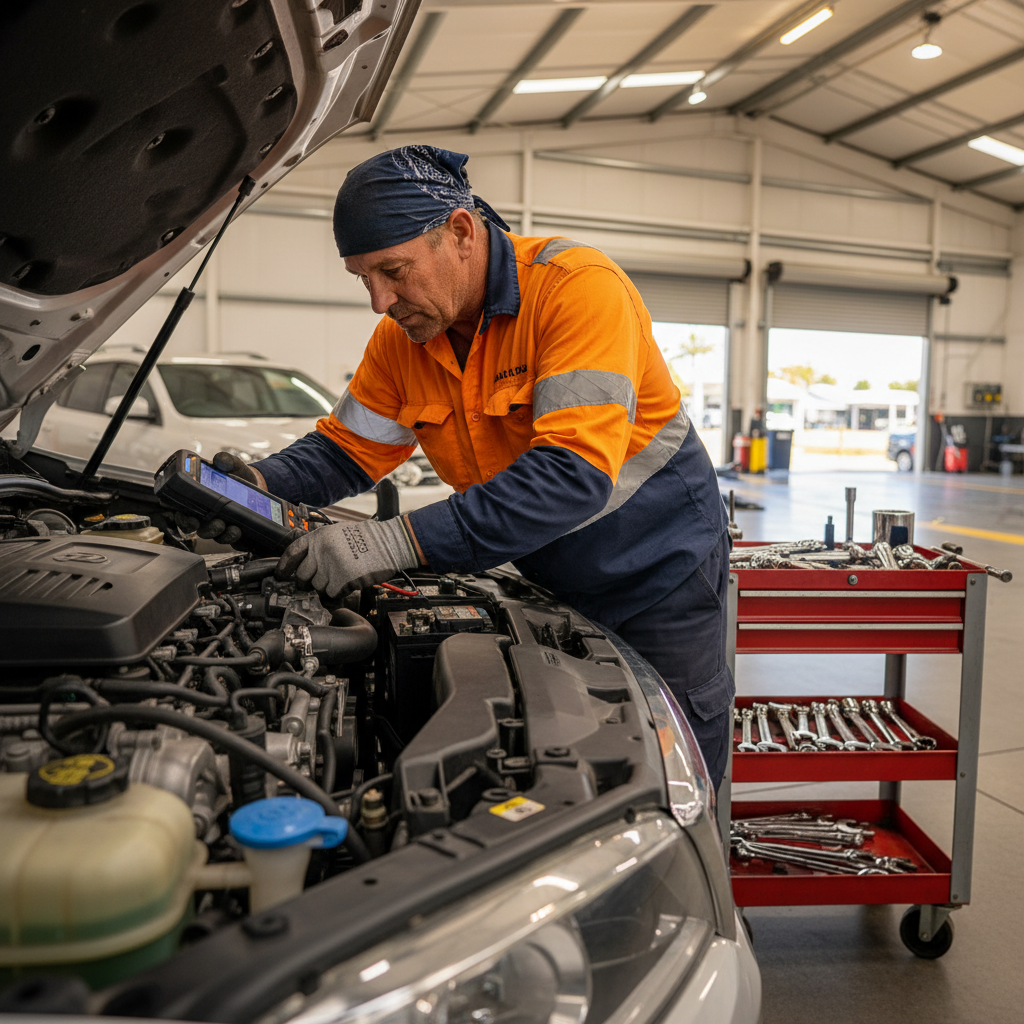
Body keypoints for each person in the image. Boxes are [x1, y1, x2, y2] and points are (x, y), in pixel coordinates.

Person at [196, 145, 733, 787]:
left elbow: (572, 476)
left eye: (393, 271)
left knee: (673, 769)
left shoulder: (576, 289)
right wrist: (254, 487)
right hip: (549, 574)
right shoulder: (406, 339)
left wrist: (388, 542)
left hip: (658, 573)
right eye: (362, 278)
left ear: (459, 232)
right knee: (571, 755)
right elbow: (344, 449)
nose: (379, 301)